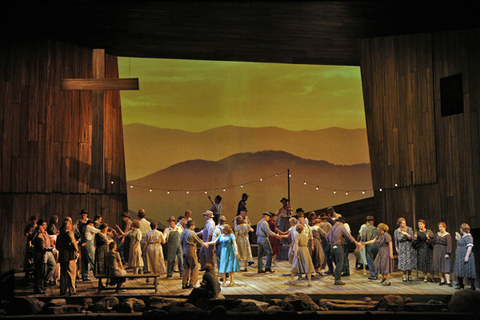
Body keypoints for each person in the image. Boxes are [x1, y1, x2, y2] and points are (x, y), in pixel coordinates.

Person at [325, 217, 361, 285]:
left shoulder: (332, 228)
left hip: (332, 246)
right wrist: (357, 243)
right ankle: (337, 280)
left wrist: (330, 243)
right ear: (342, 222)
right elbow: (349, 236)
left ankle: (336, 272)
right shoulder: (341, 227)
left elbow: (326, 237)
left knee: (336, 262)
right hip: (338, 246)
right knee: (340, 263)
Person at [181, 220, 209, 289]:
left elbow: (180, 242)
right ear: (191, 226)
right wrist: (205, 244)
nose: (194, 227)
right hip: (190, 250)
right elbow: (198, 240)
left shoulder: (183, 232)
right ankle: (192, 283)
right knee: (194, 266)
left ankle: (184, 283)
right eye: (193, 225)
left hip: (184, 250)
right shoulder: (191, 233)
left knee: (186, 267)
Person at [56, 220, 79, 295]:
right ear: (68, 226)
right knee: (71, 274)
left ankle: (63, 290)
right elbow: (72, 241)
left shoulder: (59, 236)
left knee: (63, 275)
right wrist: (76, 249)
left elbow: (57, 247)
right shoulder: (69, 233)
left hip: (62, 256)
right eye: (71, 225)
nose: (72, 226)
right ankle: (72, 290)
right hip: (70, 256)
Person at [394, 217, 417, 282]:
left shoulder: (409, 229)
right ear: (399, 224)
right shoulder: (396, 231)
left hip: (409, 246)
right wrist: (396, 248)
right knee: (403, 261)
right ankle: (404, 275)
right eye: (403, 223)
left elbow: (411, 238)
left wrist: (406, 234)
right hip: (401, 247)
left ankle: (409, 275)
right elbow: (396, 240)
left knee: (409, 261)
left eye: (405, 223)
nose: (404, 224)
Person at [454, 223, 476, 290]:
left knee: (469, 271)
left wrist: (466, 256)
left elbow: (469, 246)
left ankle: (472, 286)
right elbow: (462, 243)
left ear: (462, 229)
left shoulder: (468, 237)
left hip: (465, 256)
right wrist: (458, 239)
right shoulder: (463, 236)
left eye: (460, 229)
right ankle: (461, 285)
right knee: (459, 270)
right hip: (460, 257)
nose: (460, 230)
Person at [432, 222, 452, 286]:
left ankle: (448, 281)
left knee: (445, 265)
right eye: (439, 227)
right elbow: (433, 241)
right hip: (437, 250)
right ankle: (442, 280)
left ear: (444, 227)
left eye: (441, 227)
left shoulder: (447, 235)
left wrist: (448, 253)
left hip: (444, 250)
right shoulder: (437, 234)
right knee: (438, 265)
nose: (440, 228)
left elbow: (449, 244)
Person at [94, 223, 111, 288]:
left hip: (106, 250)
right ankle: (100, 283)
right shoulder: (99, 234)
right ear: (103, 229)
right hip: (101, 251)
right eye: (106, 229)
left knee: (107, 264)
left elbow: (110, 240)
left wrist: (109, 241)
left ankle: (108, 281)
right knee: (100, 265)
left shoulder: (106, 234)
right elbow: (105, 241)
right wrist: (109, 241)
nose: (106, 230)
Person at [362, 216, 379, 280]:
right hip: (377, 245)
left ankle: (373, 275)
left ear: (367, 222)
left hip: (369, 245)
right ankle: (377, 273)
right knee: (376, 260)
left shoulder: (365, 229)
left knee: (370, 260)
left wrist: (362, 244)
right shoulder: (377, 229)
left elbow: (363, 238)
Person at [33, 225, 47, 294]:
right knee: (39, 273)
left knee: (40, 273)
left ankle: (40, 287)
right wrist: (49, 248)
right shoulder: (39, 238)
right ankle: (38, 288)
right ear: (39, 230)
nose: (44, 229)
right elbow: (42, 248)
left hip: (39, 256)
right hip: (39, 257)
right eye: (41, 228)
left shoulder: (40, 237)